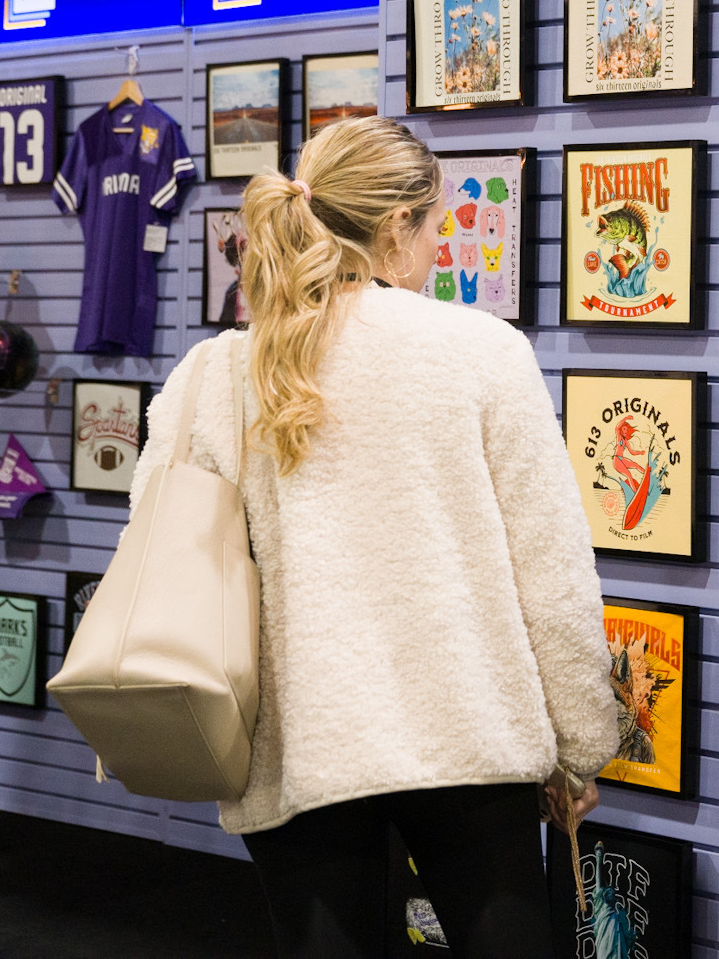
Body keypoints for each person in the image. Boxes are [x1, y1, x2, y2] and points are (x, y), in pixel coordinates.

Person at [129, 117, 618, 957]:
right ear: (397, 228)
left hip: (300, 745)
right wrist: (580, 743)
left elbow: (157, 552)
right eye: (435, 227)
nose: (437, 250)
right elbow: (555, 576)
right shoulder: (482, 353)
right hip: (472, 740)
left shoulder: (215, 374)